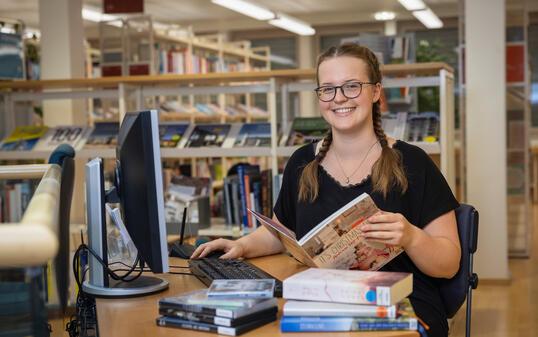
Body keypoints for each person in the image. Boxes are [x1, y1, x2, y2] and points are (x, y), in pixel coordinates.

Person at [191, 43, 461, 337]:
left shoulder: (413, 163)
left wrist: (411, 236)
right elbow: (280, 233)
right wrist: (241, 246)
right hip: (323, 303)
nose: (339, 98)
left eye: (352, 86)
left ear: (376, 92)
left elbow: (449, 264)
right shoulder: (302, 162)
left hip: (400, 307)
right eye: (327, 89)